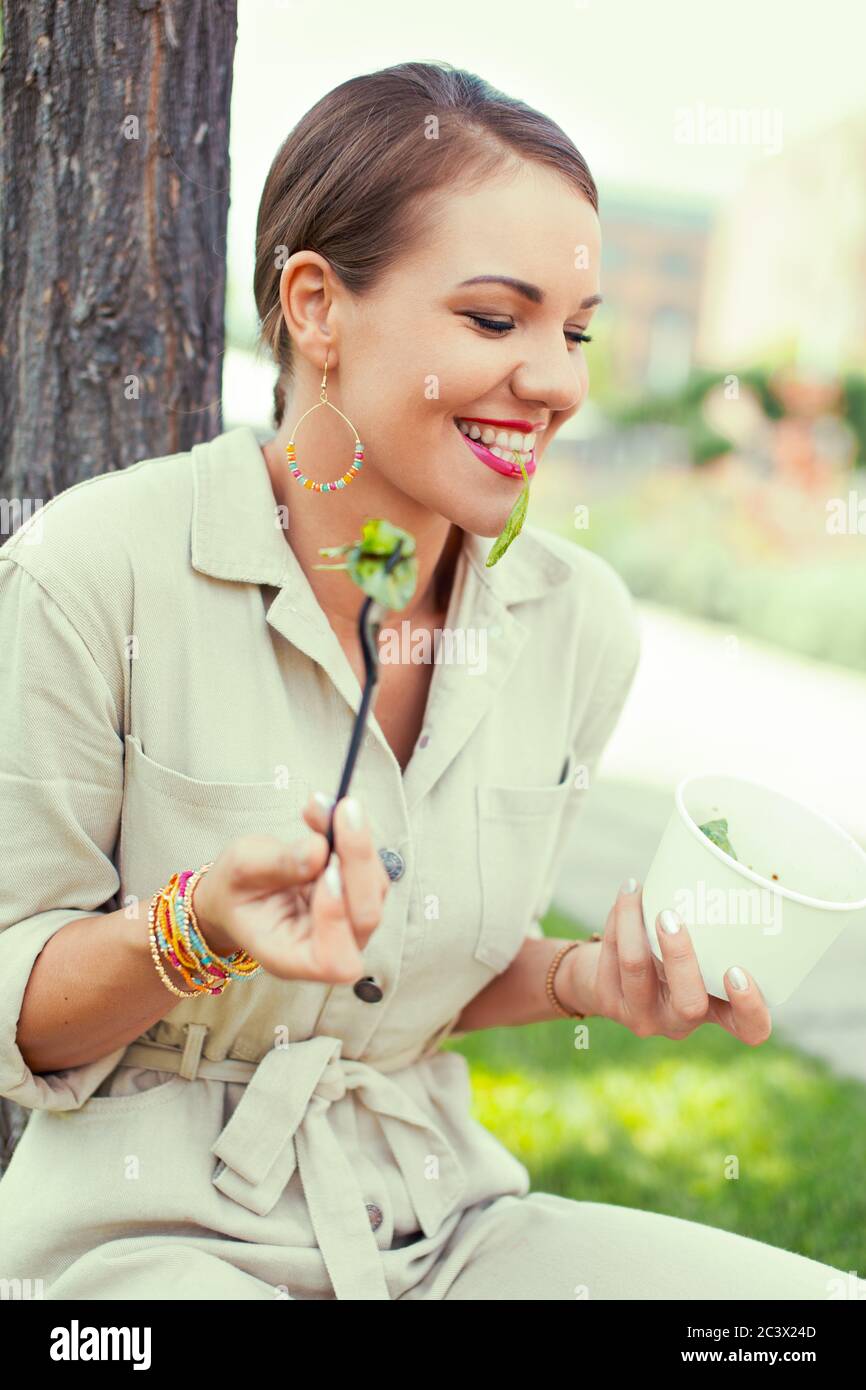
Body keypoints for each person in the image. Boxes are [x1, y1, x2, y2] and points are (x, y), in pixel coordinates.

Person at [0, 61, 860, 1302]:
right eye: (494, 320)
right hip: (144, 1244)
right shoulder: (93, 571)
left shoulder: (577, 626)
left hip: (439, 1225)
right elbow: (23, 1019)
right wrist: (201, 928)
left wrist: (579, 980)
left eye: (574, 332)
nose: (558, 382)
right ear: (315, 306)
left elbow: (399, 985)